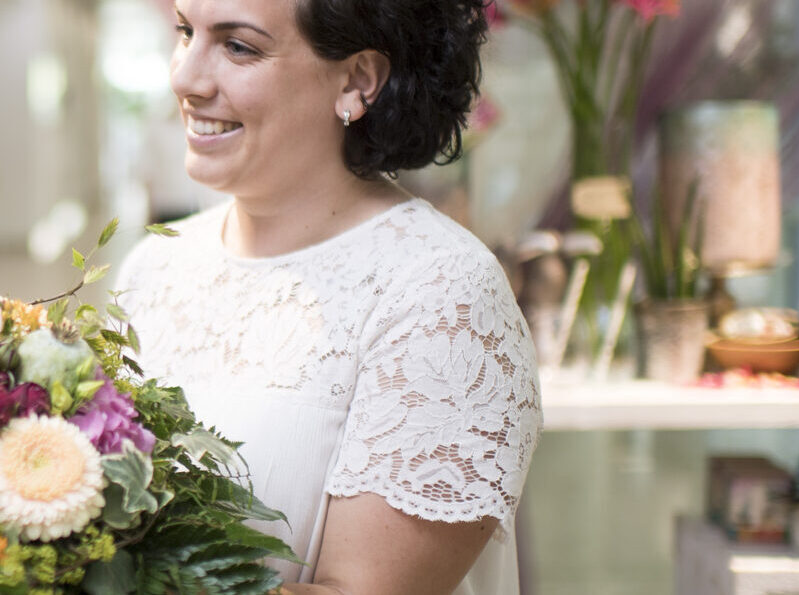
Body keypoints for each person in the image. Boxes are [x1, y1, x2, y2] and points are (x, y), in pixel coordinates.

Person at [115, 1, 541, 594]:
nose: (186, 77)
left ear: (357, 80)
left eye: (239, 46)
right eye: (187, 32)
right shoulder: (151, 266)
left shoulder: (440, 292)